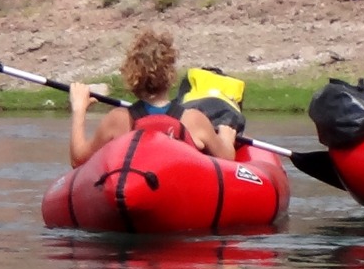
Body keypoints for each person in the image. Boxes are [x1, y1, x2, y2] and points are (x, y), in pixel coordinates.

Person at [67, 29, 247, 166]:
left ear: (131, 76)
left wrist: (79, 109)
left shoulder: (118, 120)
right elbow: (226, 158)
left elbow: (79, 159)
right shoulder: (194, 120)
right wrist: (225, 136)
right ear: (170, 76)